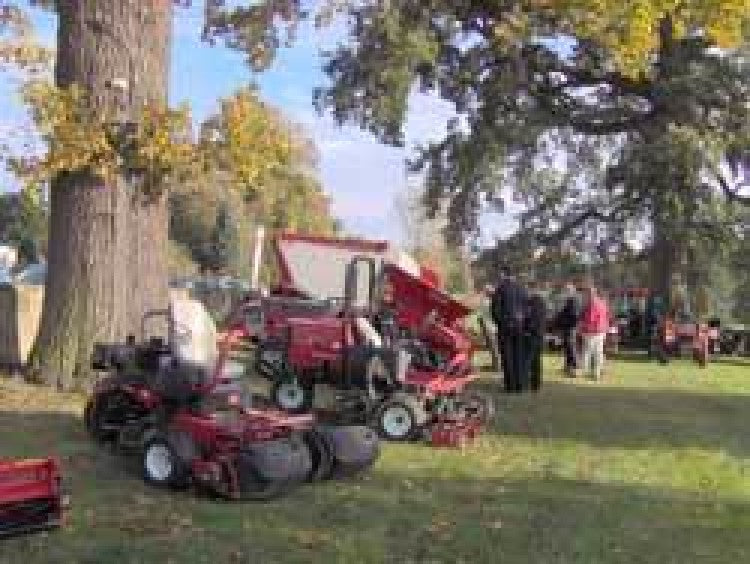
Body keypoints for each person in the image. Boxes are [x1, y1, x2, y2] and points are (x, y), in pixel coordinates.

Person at [491, 267, 529, 393]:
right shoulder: (522, 289)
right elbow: (527, 308)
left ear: (503, 274)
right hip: (520, 326)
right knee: (519, 354)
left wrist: (501, 323)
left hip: (506, 326)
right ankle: (520, 384)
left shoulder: (500, 289)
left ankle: (510, 385)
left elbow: (495, 310)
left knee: (507, 356)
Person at [578, 283, 610, 381]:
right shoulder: (603, 303)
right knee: (598, 352)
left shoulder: (591, 304)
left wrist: (582, 328)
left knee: (587, 351)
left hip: (592, 331)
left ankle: (583, 370)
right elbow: (607, 316)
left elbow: (590, 319)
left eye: (586, 294)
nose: (585, 296)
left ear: (590, 294)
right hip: (602, 330)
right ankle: (597, 373)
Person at [524, 280, 548, 392]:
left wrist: (527, 330)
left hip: (532, 334)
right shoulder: (542, 302)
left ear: (532, 289)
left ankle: (530, 383)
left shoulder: (532, 302)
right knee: (536, 360)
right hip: (540, 334)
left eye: (528, 289)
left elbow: (532, 319)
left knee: (529, 360)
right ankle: (536, 384)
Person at [556, 284, 580, 376]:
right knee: (567, 347)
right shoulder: (569, 301)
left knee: (571, 347)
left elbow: (573, 315)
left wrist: (562, 319)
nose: (565, 292)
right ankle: (568, 366)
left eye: (567, 290)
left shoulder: (573, 300)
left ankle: (575, 367)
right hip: (567, 327)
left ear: (571, 291)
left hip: (570, 328)